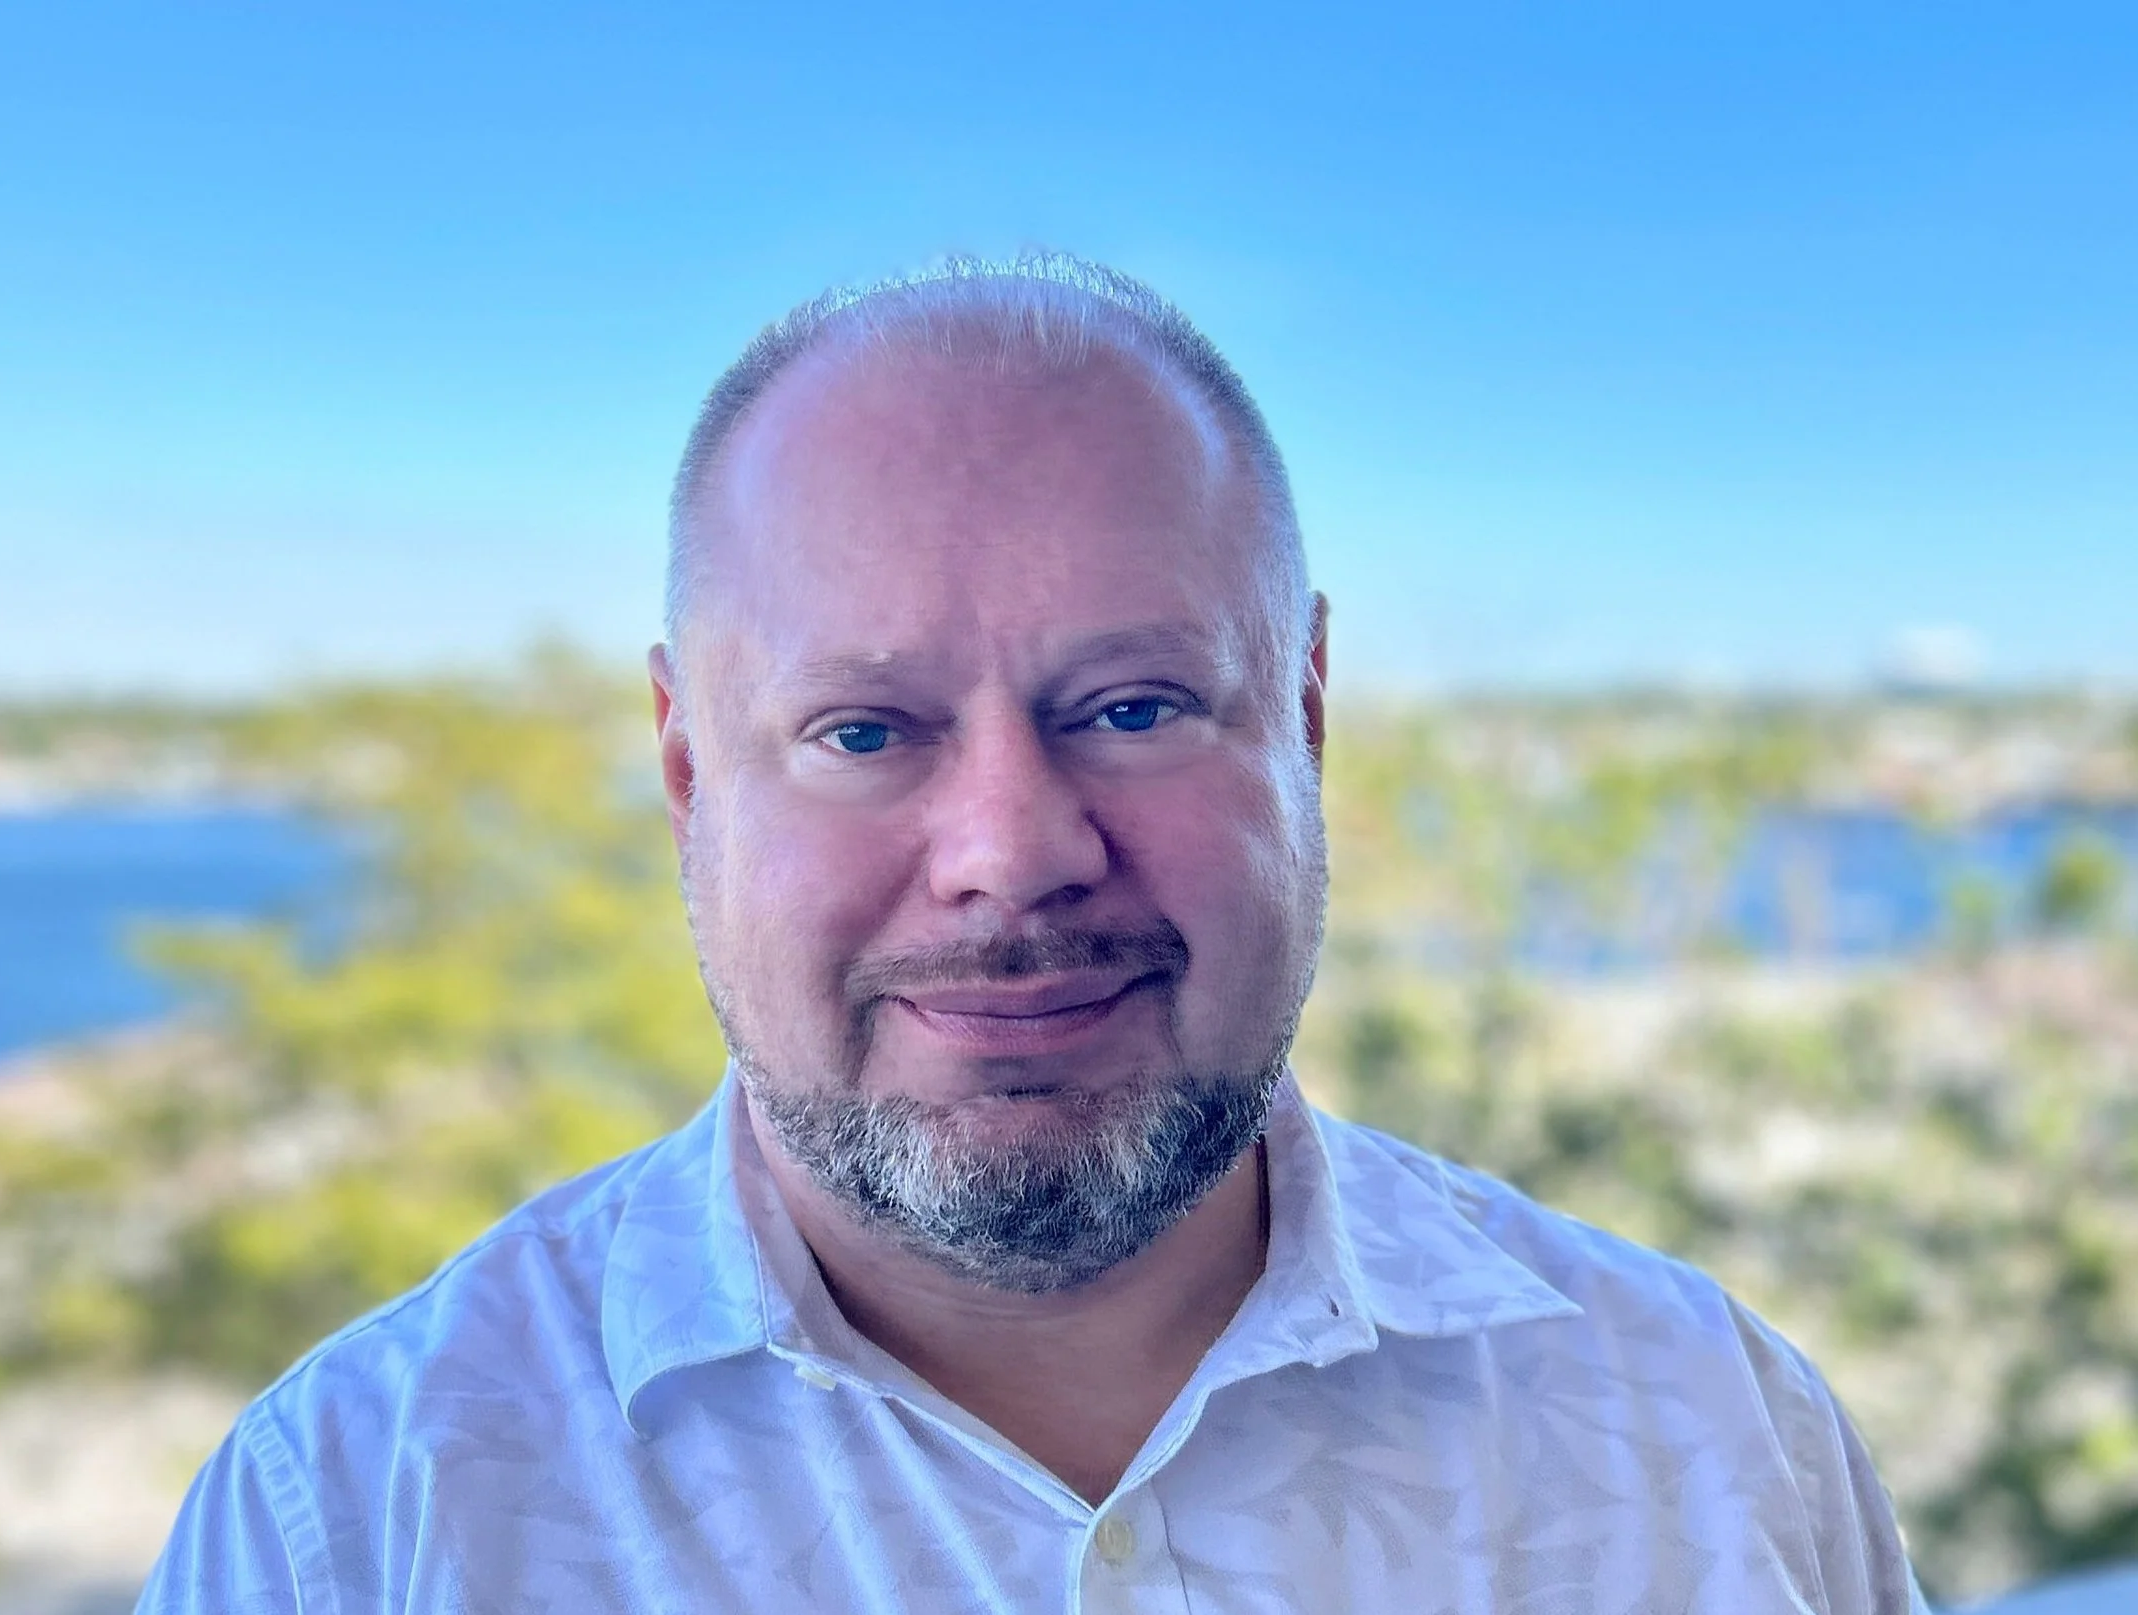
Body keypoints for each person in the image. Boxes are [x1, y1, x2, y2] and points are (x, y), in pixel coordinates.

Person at [138, 254, 1928, 1613]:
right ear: (690, 771)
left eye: (1137, 705)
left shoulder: (1712, 1437)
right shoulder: (358, 1519)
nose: (1011, 852)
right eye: (862, 732)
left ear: (1304, 716)